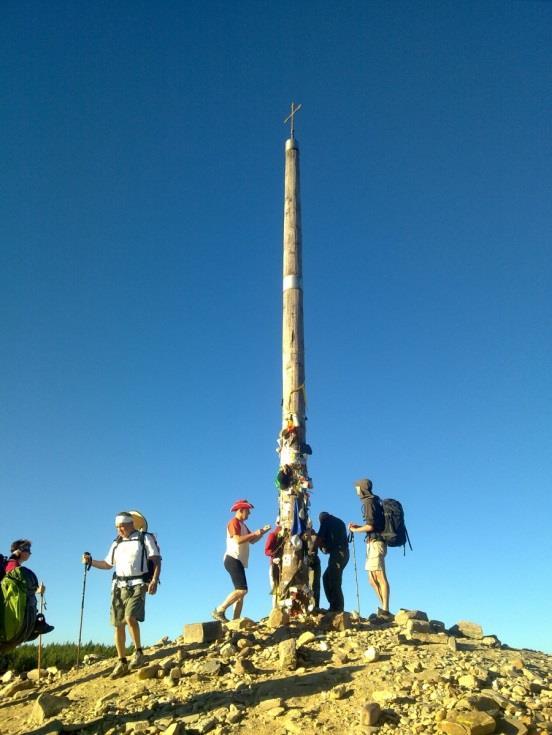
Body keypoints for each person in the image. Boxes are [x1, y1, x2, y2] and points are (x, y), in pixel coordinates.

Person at [81, 512, 161, 678]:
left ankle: (139, 653)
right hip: (118, 586)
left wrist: (154, 580)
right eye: (117, 527)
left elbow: (156, 559)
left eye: (122, 526)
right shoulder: (116, 543)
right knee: (118, 624)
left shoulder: (144, 538)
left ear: (131, 524)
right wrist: (91, 562)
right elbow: (107, 564)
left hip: (139, 583)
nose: (119, 530)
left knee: (130, 617)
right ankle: (122, 661)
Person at [212, 499, 270, 622]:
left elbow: (252, 540)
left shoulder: (243, 525)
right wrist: (254, 533)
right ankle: (219, 610)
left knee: (240, 594)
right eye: (248, 511)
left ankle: (235, 621)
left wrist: (262, 532)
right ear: (241, 510)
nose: (249, 514)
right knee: (242, 590)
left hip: (238, 560)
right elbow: (238, 540)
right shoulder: (234, 522)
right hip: (232, 558)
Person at [348, 478, 393, 621]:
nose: (356, 490)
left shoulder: (368, 502)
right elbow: (372, 523)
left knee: (379, 576)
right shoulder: (374, 500)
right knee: (372, 579)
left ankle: (385, 610)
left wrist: (355, 530)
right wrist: (359, 527)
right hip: (375, 542)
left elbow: (371, 526)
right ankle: (384, 609)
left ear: (362, 488)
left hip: (376, 543)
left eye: (357, 487)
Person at [4, 539, 54, 636]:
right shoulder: (12, 565)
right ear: (19, 550)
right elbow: (12, 587)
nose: (30, 553)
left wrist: (37, 590)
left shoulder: (11, 564)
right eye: (27, 549)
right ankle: (32, 624)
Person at [316, 512, 350, 612]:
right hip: (344, 553)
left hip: (337, 553)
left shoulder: (326, 522)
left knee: (334, 580)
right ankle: (334, 604)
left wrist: (310, 551)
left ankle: (337, 607)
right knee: (327, 577)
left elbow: (319, 539)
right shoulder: (339, 522)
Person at [264, 520, 283, 608]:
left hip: (283, 565)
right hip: (274, 565)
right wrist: (274, 556)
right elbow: (267, 551)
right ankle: (275, 610)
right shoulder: (273, 535)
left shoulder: (285, 536)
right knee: (276, 588)